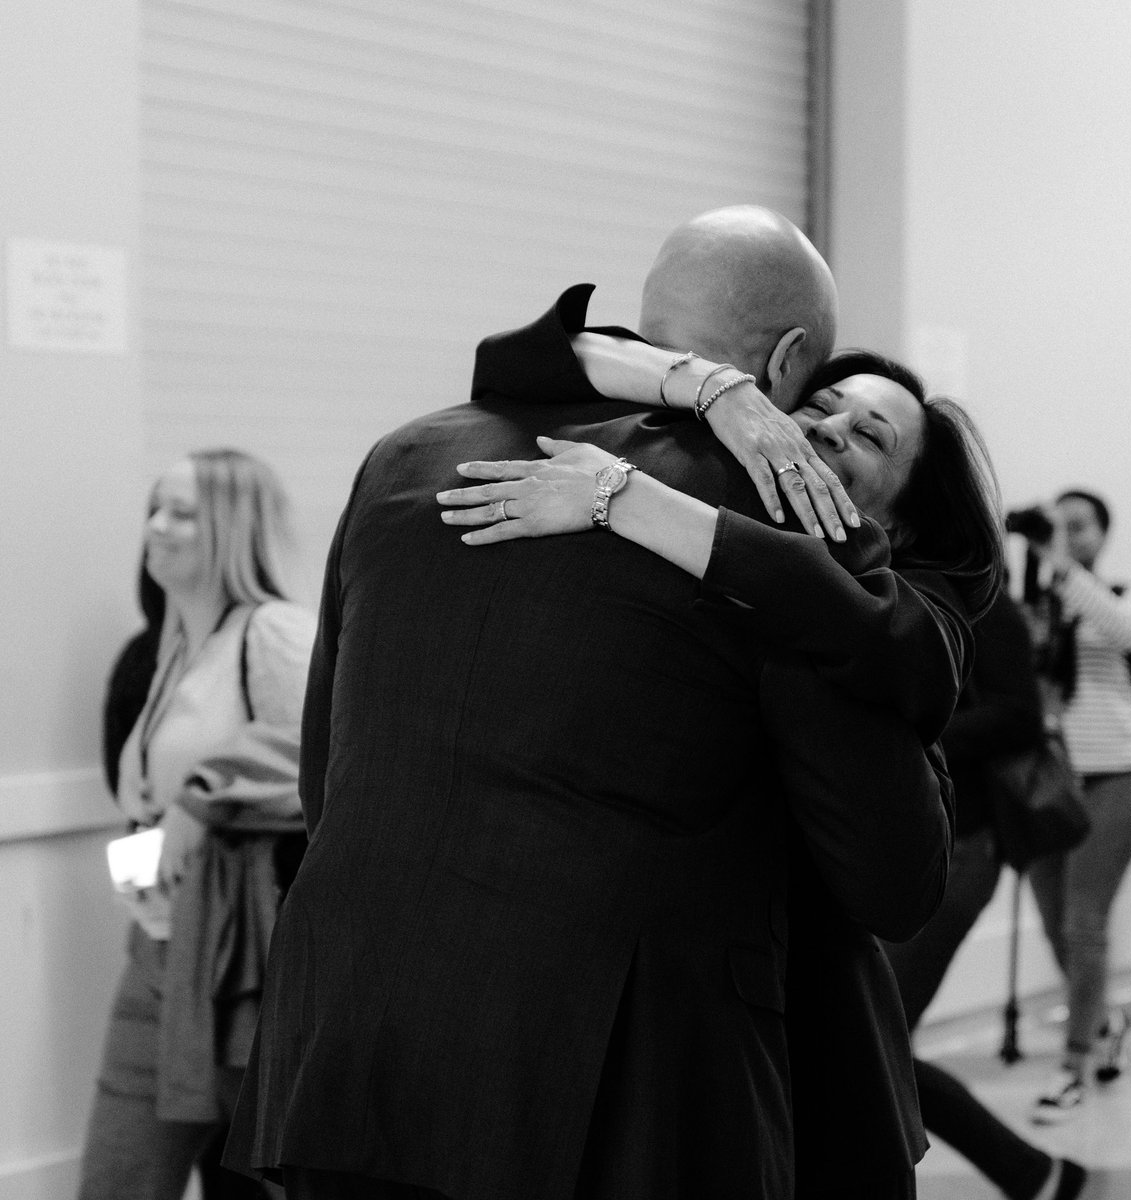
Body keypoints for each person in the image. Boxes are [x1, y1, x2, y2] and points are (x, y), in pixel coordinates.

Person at [225, 207, 959, 1200]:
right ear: (788, 361)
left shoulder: (403, 458)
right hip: (614, 1085)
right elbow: (892, 874)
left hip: (353, 1043)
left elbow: (332, 776)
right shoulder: (779, 505)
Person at [442, 287, 1003, 1196]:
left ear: (899, 524)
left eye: (871, 437)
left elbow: (897, 868)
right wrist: (716, 392)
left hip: (815, 1066)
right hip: (650, 1067)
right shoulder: (698, 517)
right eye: (820, 407)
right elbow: (519, 358)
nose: (831, 431)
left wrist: (624, 499)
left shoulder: (902, 621)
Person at [79, 449, 315, 1200]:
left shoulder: (273, 633)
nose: (156, 526)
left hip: (237, 954)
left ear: (230, 527)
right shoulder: (170, 650)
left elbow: (330, 765)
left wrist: (202, 797)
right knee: (117, 1178)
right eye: (155, 507)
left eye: (181, 512)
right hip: (155, 945)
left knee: (259, 1181)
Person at [879, 589, 1087, 1200]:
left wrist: (910, 727)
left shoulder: (983, 604)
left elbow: (1019, 714)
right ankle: (1033, 1173)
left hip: (962, 848)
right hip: (907, 853)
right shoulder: (886, 581)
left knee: (877, 1040)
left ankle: (1031, 1172)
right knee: (874, 1041)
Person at [1014, 489, 1131, 1122]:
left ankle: (1075, 1064)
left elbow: (1128, 635)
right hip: (1052, 783)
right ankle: (1106, 1022)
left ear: (1104, 533)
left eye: (1080, 527)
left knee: (1083, 920)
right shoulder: (1034, 605)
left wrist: (1061, 567)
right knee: (1056, 923)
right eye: (1057, 526)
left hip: (1122, 775)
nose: (1068, 536)